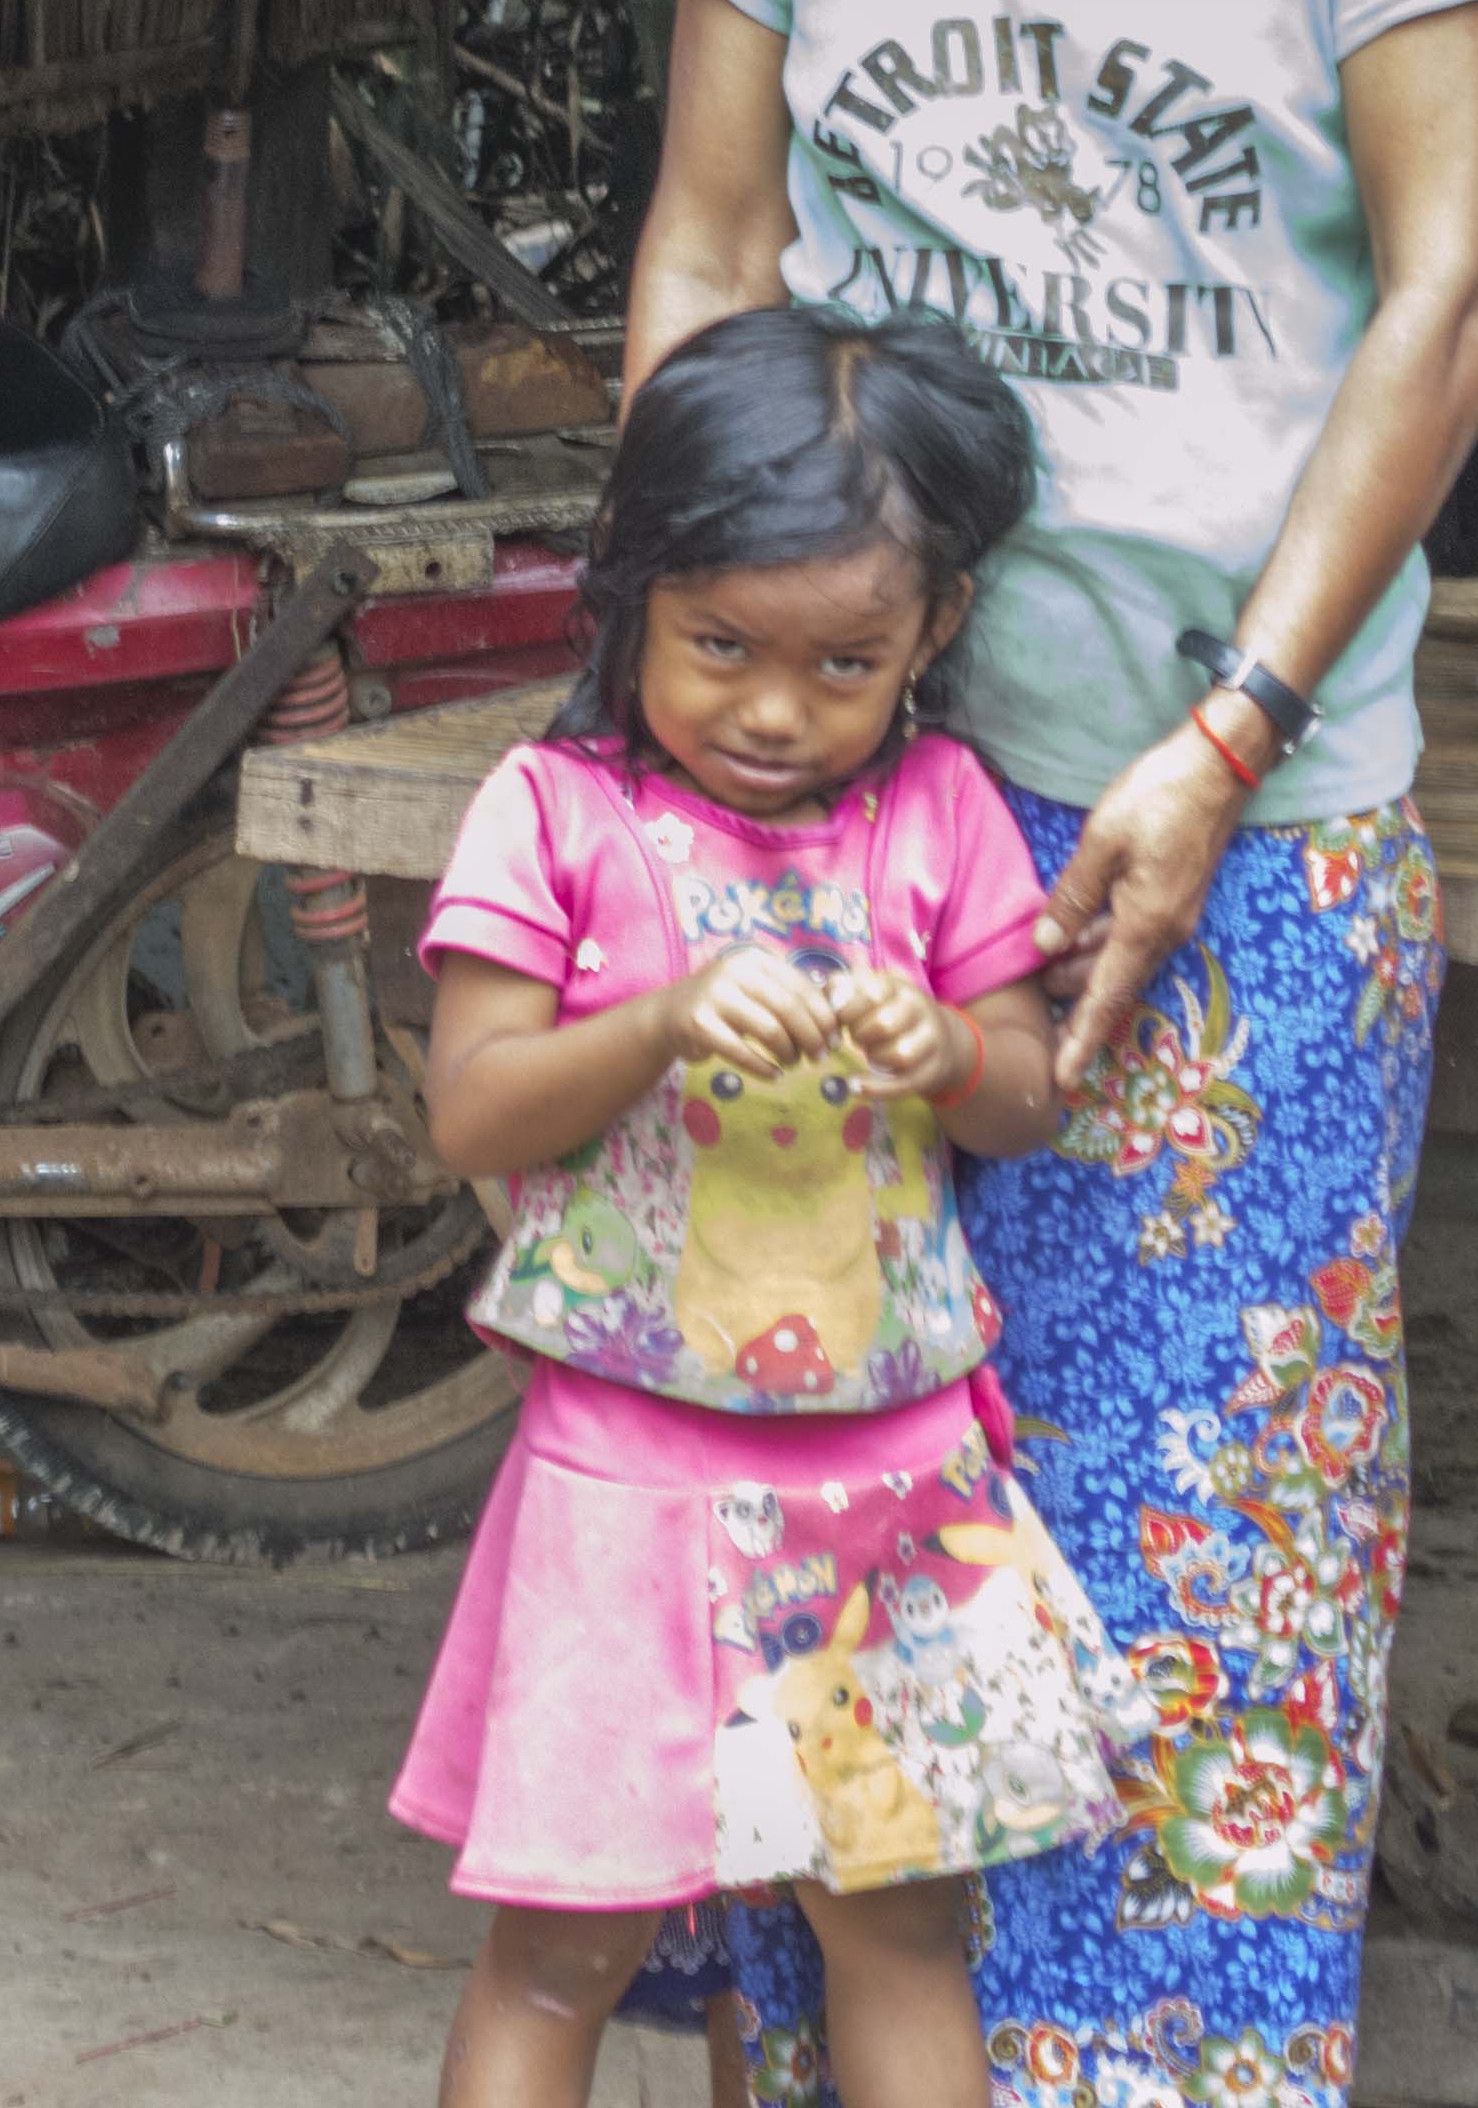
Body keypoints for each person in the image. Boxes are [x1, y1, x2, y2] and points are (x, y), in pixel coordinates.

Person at [625, 0, 1478, 2093]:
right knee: (829, 1481)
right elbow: (704, 252)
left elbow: (1462, 287)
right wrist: (703, 730)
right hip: (832, 793)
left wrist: (1227, 730)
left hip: (1244, 823)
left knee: (1199, 1534)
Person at [398, 303, 1138, 2108]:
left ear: (931, 634)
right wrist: (649, 1023)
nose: (774, 710)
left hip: (890, 1492)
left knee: (896, 1935)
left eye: (841, 665)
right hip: (619, 1482)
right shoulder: (553, 814)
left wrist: (948, 1048)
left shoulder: (943, 811)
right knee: (559, 1948)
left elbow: (1031, 1096)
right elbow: (469, 1107)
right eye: (719, 644)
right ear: (630, 591)